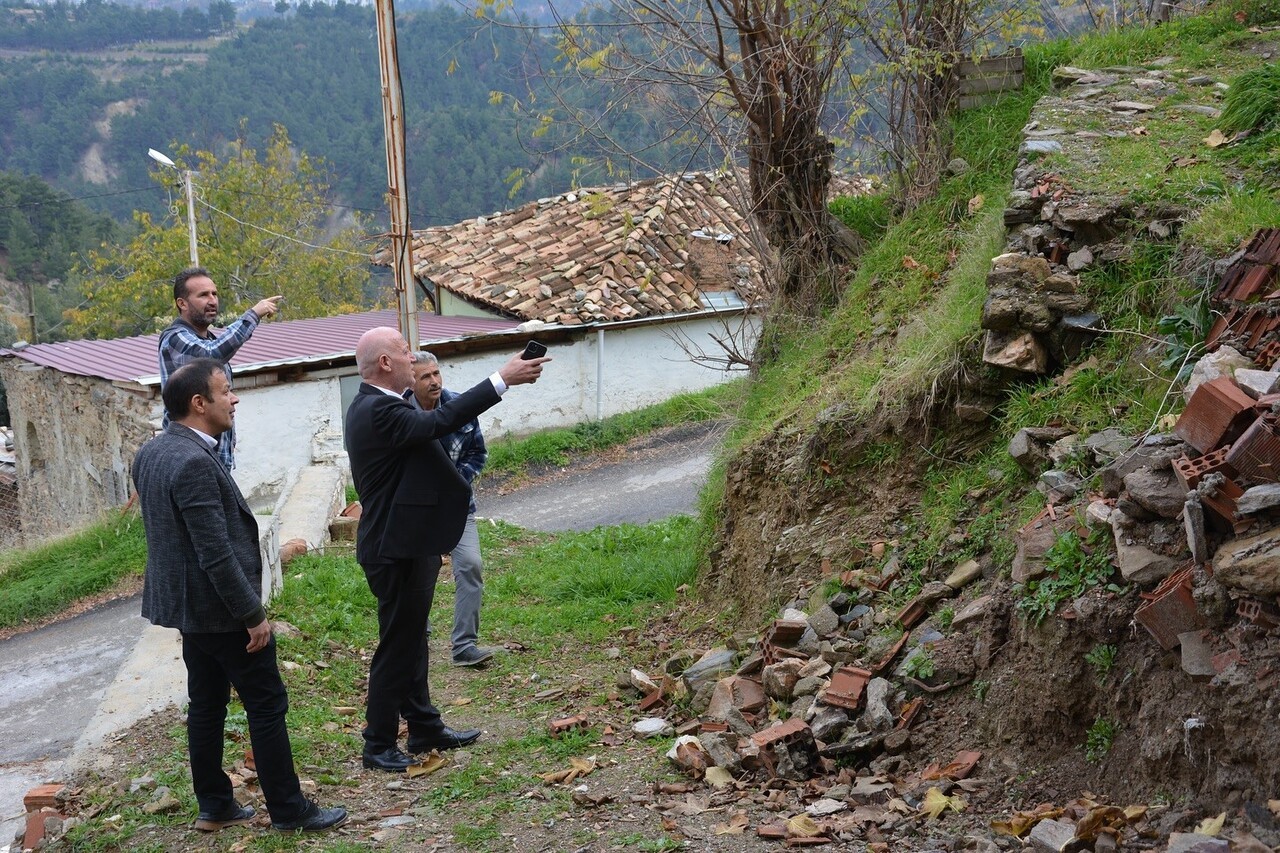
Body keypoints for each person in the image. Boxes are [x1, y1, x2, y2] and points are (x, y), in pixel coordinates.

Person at [131, 359, 347, 834]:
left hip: (191, 612)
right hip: (222, 612)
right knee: (266, 704)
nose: (235, 399)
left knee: (205, 704)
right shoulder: (191, 461)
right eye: (226, 391)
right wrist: (253, 615)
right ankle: (289, 810)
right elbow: (215, 554)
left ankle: (215, 805)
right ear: (198, 403)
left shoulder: (154, 452)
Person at [345, 328, 548, 772]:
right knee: (397, 646)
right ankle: (377, 743)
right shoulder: (378, 409)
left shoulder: (383, 404)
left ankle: (423, 727)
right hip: (391, 548)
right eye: (403, 351)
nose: (410, 356)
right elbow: (436, 423)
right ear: (385, 363)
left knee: (413, 641)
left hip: (407, 543)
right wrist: (501, 379)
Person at [411, 351, 496, 668]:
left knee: (471, 565)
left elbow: (478, 452)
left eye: (436, 374)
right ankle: (417, 637)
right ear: (411, 380)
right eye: (425, 376)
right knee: (417, 575)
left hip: (459, 506)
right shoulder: (401, 412)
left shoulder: (460, 406)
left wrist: (457, 482)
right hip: (416, 512)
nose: (433, 381)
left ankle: (464, 646)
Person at [158, 267, 281, 470]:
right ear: (182, 303)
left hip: (215, 458)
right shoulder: (175, 338)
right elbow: (213, 354)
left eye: (214, 294)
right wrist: (253, 314)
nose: (213, 300)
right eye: (203, 295)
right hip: (191, 457)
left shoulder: (207, 339)